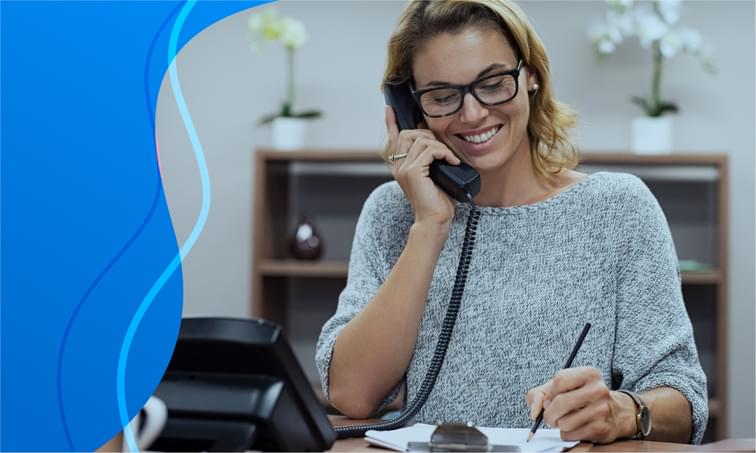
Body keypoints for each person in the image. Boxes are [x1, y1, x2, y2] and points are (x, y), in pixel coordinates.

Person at [316, 0, 707, 444]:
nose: (473, 113)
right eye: (443, 96)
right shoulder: (394, 212)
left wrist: (624, 411)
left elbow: (685, 398)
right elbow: (352, 394)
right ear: (411, 108)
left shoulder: (619, 208)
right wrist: (430, 225)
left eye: (493, 82)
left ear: (531, 75)